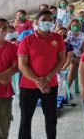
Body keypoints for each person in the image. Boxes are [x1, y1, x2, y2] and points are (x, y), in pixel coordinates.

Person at [17, 10, 66, 139]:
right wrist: (39, 81)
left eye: (51, 20)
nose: (48, 22)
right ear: (36, 22)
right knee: (25, 120)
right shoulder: (27, 40)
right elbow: (22, 65)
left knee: (51, 119)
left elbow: (61, 59)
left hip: (51, 85)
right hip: (28, 86)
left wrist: (48, 78)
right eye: (44, 19)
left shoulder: (58, 38)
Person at [0, 18, 18, 139]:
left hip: (4, 94)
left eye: (4, 28)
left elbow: (16, 67)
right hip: (4, 83)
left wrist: (2, 76)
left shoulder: (13, 48)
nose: (1, 30)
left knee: (3, 128)